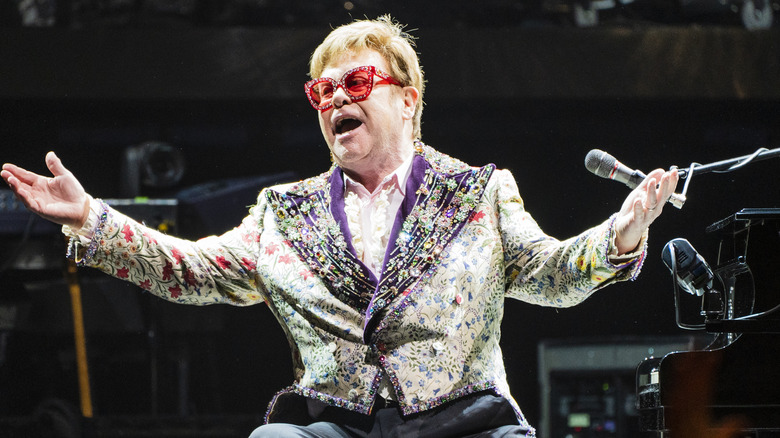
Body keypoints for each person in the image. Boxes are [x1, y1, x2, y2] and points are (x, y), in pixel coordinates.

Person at [2, 15, 678, 438]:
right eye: (321, 92)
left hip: (465, 424)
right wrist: (92, 219)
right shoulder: (283, 213)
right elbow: (194, 271)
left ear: (407, 101)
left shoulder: (479, 193)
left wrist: (620, 235)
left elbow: (551, 276)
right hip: (334, 427)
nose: (335, 100)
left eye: (354, 82)